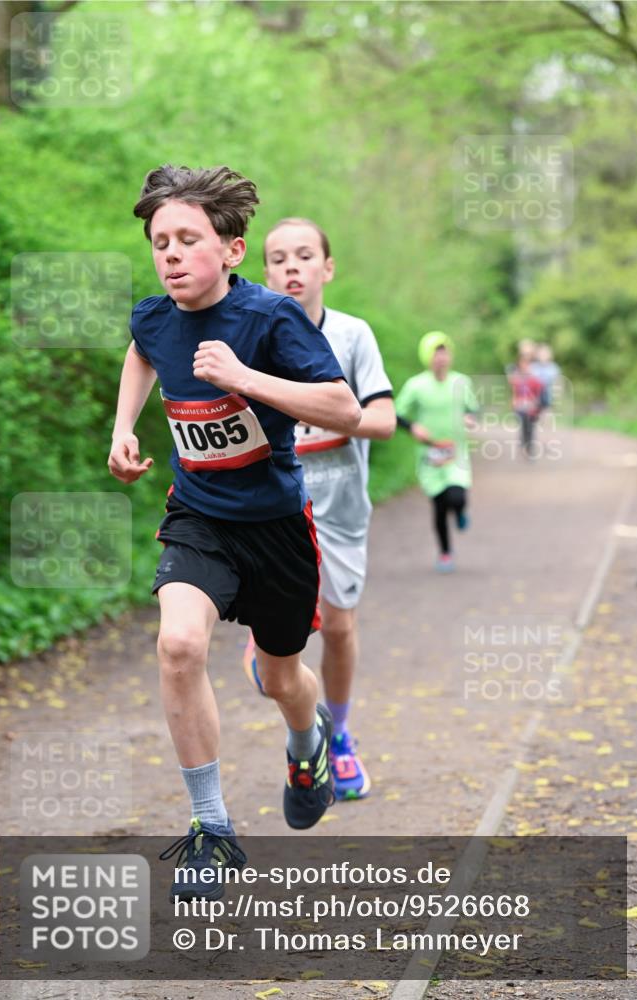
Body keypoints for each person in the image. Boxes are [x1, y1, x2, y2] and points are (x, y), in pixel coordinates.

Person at [107, 166, 361, 901]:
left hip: (277, 528)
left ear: (233, 250)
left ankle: (306, 745)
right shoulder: (153, 316)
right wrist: (123, 428)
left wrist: (246, 378)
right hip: (200, 516)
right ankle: (212, 830)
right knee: (179, 643)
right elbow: (143, 349)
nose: (171, 254)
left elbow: (340, 409)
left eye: (188, 239)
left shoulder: (270, 319)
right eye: (160, 242)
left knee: (280, 679)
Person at [243, 217, 395, 801]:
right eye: (278, 258)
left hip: (339, 508)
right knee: (273, 667)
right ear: (264, 272)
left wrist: (332, 417)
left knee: (336, 626)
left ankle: (341, 734)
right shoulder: (249, 335)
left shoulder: (352, 336)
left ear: (326, 268)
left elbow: (381, 418)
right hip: (272, 504)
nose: (291, 267)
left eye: (304, 256)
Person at [395, 332, 478, 573]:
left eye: (445, 352)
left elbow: (473, 408)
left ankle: (461, 511)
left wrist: (470, 417)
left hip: (456, 453)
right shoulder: (416, 385)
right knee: (439, 505)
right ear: (427, 356)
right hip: (430, 456)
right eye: (436, 353)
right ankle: (445, 553)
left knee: (457, 497)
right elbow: (397, 413)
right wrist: (412, 428)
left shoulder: (461, 382)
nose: (441, 358)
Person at [508, 350, 543, 458]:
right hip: (521, 406)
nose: (525, 365)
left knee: (530, 429)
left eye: (528, 363)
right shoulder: (517, 378)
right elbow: (514, 391)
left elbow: (539, 392)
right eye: (523, 363)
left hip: (531, 408)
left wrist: (536, 403)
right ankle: (524, 445)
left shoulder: (535, 379)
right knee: (523, 427)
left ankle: (529, 448)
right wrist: (514, 401)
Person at [530, 343, 560, 410]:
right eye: (541, 354)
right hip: (535, 396)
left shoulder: (553, 368)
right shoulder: (533, 367)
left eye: (545, 354)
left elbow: (557, 382)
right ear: (537, 355)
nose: (543, 356)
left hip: (549, 395)